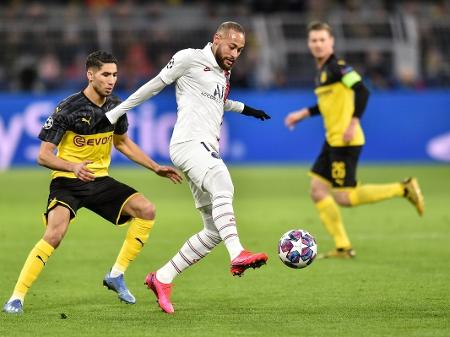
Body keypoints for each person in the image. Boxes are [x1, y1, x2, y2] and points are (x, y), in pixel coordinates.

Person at [104, 21, 271, 314]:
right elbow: (154, 85)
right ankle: (237, 253)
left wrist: (247, 109)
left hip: (205, 147)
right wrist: (116, 112)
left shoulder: (223, 73)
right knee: (223, 182)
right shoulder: (189, 58)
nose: (235, 53)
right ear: (217, 39)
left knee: (214, 230)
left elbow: (219, 101)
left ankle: (162, 277)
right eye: (232, 46)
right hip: (189, 143)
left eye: (241, 50)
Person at [3, 51, 182, 314]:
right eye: (105, 74)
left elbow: (121, 142)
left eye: (115, 75)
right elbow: (43, 155)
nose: (111, 80)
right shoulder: (68, 108)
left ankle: (116, 274)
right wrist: (72, 166)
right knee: (54, 234)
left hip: (99, 181)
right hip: (68, 180)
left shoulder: (116, 107)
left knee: (147, 210)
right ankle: (16, 298)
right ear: (90, 75)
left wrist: (155, 167)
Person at [284, 22, 425, 259]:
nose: (318, 44)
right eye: (314, 40)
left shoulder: (339, 68)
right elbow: (328, 104)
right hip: (332, 141)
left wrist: (354, 122)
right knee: (318, 190)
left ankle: (403, 188)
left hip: (345, 141)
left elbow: (362, 90)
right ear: (309, 44)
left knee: (344, 197)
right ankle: (343, 247)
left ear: (331, 42)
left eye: (322, 40)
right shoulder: (322, 72)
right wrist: (303, 114)